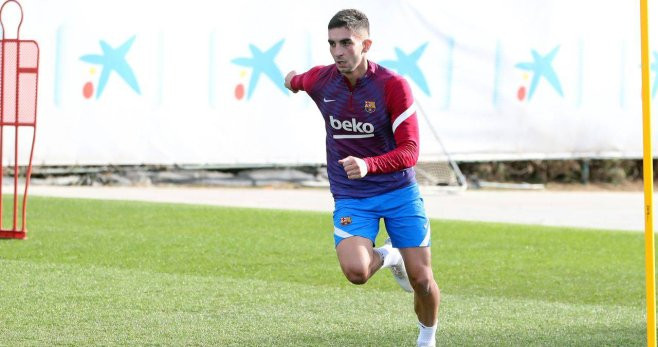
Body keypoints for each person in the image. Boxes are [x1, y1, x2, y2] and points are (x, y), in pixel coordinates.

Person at [284, 9, 440, 347]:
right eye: (331, 44)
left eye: (346, 43)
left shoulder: (392, 86)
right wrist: (292, 80)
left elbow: (411, 151)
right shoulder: (321, 80)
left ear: (366, 44)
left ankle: (427, 337)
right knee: (356, 272)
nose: (338, 51)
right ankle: (389, 256)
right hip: (352, 196)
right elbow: (298, 80)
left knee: (422, 280)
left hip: (398, 191)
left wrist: (370, 164)